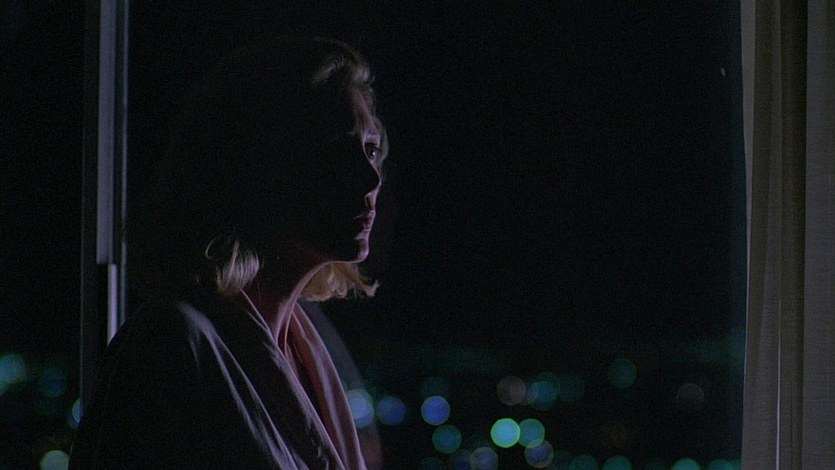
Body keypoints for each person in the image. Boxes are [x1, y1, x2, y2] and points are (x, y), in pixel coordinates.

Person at [70, 37, 388, 469]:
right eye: (335, 145)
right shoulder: (171, 347)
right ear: (258, 159)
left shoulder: (306, 351)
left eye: (371, 149)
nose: (370, 179)